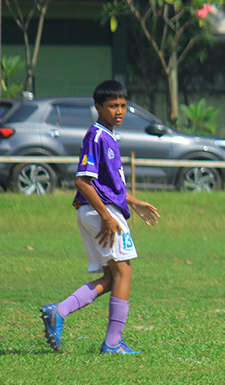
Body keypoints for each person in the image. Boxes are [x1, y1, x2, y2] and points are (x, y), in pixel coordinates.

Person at [39, 80, 160, 355]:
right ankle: (112, 343)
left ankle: (59, 311)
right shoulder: (96, 137)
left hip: (99, 210)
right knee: (124, 271)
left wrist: (134, 203)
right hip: (100, 212)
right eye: (113, 106)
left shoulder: (108, 136)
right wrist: (106, 216)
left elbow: (108, 185)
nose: (119, 111)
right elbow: (82, 182)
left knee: (112, 276)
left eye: (123, 105)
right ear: (98, 107)